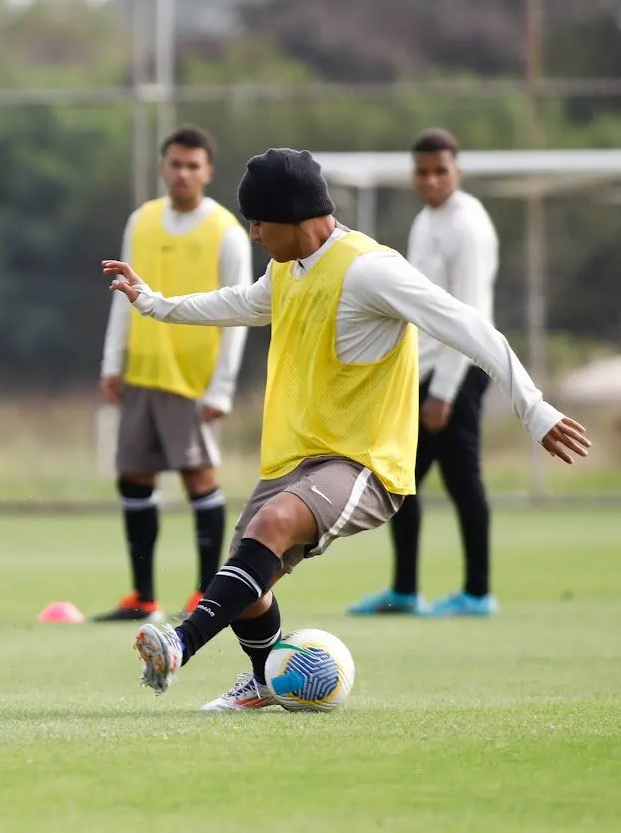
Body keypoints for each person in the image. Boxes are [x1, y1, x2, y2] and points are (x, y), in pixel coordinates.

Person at [102, 147, 590, 711]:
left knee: (275, 522)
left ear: (295, 215)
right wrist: (155, 303)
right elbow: (242, 301)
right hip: (297, 457)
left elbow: (472, 328)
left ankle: (179, 644)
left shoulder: (370, 269)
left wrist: (535, 410)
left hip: (364, 462)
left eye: (260, 222)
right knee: (244, 580)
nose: (255, 234)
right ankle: (266, 678)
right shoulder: (287, 268)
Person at [95, 126, 250, 624]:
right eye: (175, 164)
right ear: (164, 167)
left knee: (199, 478)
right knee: (134, 478)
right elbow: (123, 294)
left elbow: (240, 312)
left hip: (194, 378)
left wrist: (222, 386)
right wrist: (112, 363)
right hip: (143, 370)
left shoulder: (226, 230)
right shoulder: (141, 221)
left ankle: (205, 594)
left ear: (208, 171)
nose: (182, 173)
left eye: (193, 165)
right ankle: (143, 598)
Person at [349, 128, 502, 618]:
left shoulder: (469, 225)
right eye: (422, 171)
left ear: (458, 170)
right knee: (401, 480)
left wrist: (444, 391)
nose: (432, 180)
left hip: (457, 373)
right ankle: (406, 592)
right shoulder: (425, 220)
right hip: (425, 370)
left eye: (441, 171)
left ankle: (477, 593)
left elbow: (471, 313)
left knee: (462, 480)